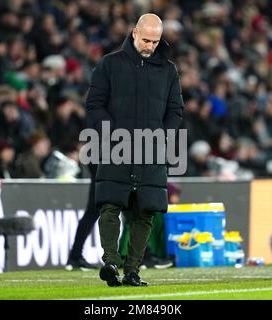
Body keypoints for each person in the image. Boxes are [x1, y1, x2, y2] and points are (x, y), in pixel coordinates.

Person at [86, 13, 184, 286]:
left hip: (152, 151)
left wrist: (163, 137)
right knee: (110, 204)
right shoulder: (110, 64)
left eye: (154, 41)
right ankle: (110, 262)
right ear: (134, 33)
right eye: (145, 39)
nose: (149, 46)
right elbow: (95, 104)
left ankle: (132, 271)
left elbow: (176, 110)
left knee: (146, 211)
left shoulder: (168, 70)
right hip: (117, 148)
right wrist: (112, 133)